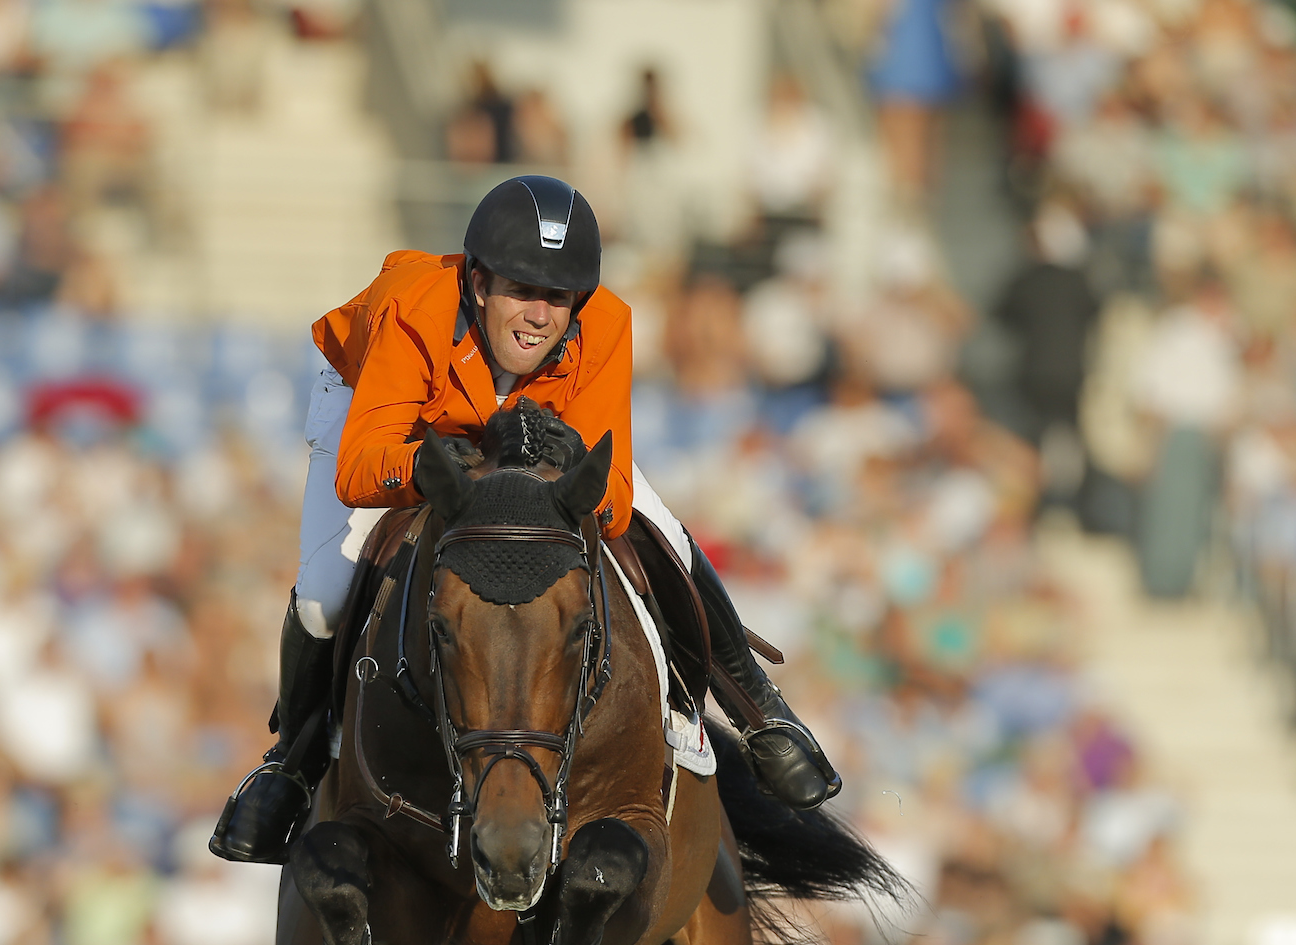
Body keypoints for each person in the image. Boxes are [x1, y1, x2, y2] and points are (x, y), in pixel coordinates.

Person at [210, 175, 841, 865]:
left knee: (660, 528)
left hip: (519, 417)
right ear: (479, 284)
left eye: (559, 297)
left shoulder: (606, 326)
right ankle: (292, 765)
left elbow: (612, 503)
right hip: (380, 401)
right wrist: (422, 465)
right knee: (328, 593)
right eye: (523, 290)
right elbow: (360, 468)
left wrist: (571, 456)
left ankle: (762, 714)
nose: (541, 314)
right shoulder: (414, 310)